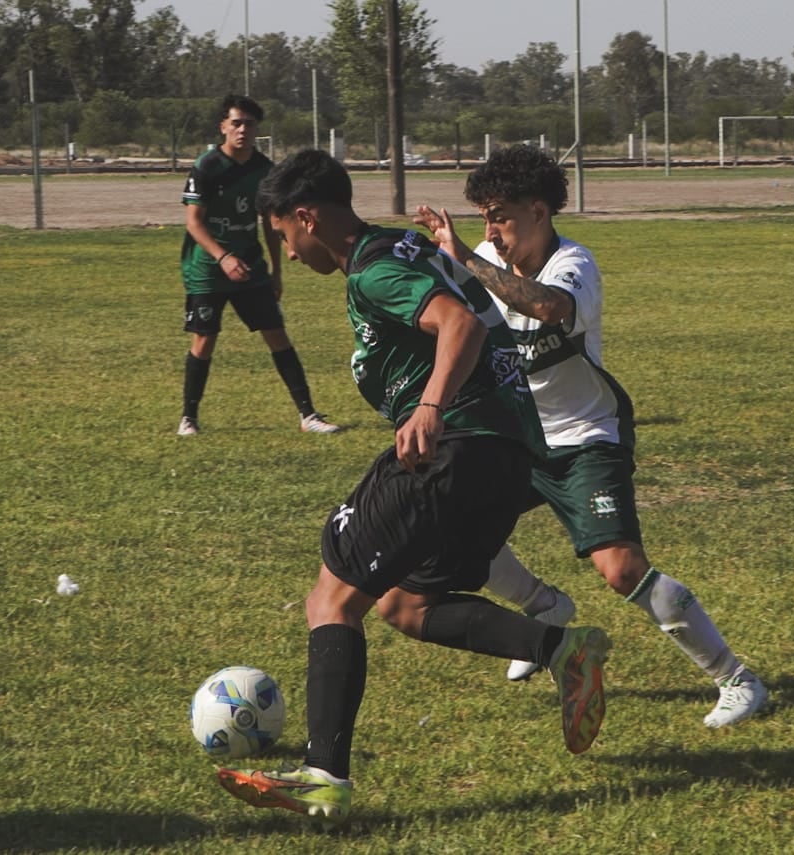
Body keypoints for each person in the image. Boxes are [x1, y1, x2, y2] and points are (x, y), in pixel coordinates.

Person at [215, 149, 611, 827]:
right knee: (407, 602)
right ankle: (560, 649)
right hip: (507, 455)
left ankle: (323, 778)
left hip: (455, 444)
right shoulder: (398, 245)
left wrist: (429, 406)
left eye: (283, 233)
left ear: (306, 216)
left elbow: (455, 325)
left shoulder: (374, 268)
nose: (288, 247)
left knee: (330, 597)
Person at [410, 145, 769, 729]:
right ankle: (544, 608)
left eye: (499, 216)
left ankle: (737, 679)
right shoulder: (483, 254)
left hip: (583, 439)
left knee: (622, 569)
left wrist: (467, 262)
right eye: (482, 218)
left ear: (538, 210)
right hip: (513, 437)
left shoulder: (573, 264)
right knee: (450, 530)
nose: (491, 231)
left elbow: (549, 308)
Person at [177, 94, 339, 436]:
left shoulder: (265, 171)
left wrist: (276, 272)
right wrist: (223, 257)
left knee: (277, 336)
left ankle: (308, 415)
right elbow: (194, 222)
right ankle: (188, 418)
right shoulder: (207, 167)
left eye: (249, 124)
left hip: (250, 268)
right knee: (204, 341)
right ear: (223, 126)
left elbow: (272, 223)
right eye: (236, 123)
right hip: (207, 270)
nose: (242, 129)